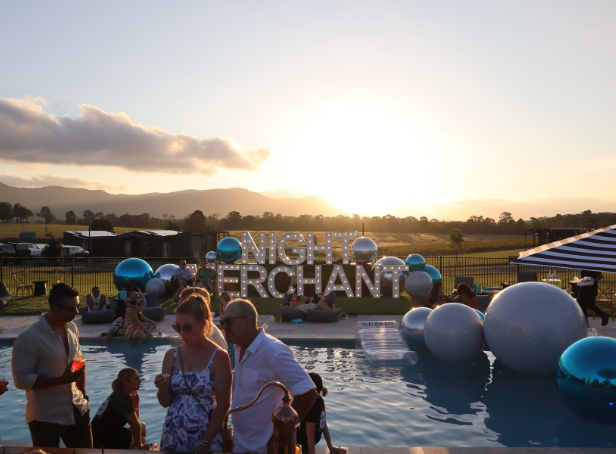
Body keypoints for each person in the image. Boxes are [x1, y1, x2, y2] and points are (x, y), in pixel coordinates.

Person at [221, 299, 317, 454]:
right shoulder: (239, 348)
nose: (224, 327)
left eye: (228, 321)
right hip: (241, 445)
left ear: (247, 321)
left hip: (263, 449)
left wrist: (280, 435)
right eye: (222, 322)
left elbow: (308, 393)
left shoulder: (274, 352)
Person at [11, 283, 93, 448]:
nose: (76, 312)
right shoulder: (29, 337)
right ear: (53, 307)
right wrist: (60, 380)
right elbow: (20, 380)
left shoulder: (72, 328)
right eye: (71, 309)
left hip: (78, 409)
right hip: (45, 417)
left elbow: (79, 361)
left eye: (77, 307)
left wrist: (83, 394)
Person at [154, 295, 232, 453]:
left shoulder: (219, 357)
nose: (182, 333)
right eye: (177, 327)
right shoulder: (171, 355)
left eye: (187, 327)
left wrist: (205, 443)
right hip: (174, 431)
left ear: (202, 324)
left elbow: (223, 405)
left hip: (206, 433)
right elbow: (165, 402)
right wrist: (162, 388)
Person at [92, 368, 155, 450]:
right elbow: (135, 425)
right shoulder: (124, 398)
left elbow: (134, 422)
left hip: (96, 440)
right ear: (126, 383)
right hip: (107, 443)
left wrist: (136, 405)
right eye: (136, 379)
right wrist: (141, 447)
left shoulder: (116, 395)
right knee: (141, 436)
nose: (140, 381)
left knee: (141, 429)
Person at [297, 373, 346, 454]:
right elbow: (322, 425)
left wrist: (330, 447)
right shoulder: (319, 400)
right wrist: (330, 446)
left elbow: (311, 436)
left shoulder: (312, 405)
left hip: (303, 442)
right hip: (303, 441)